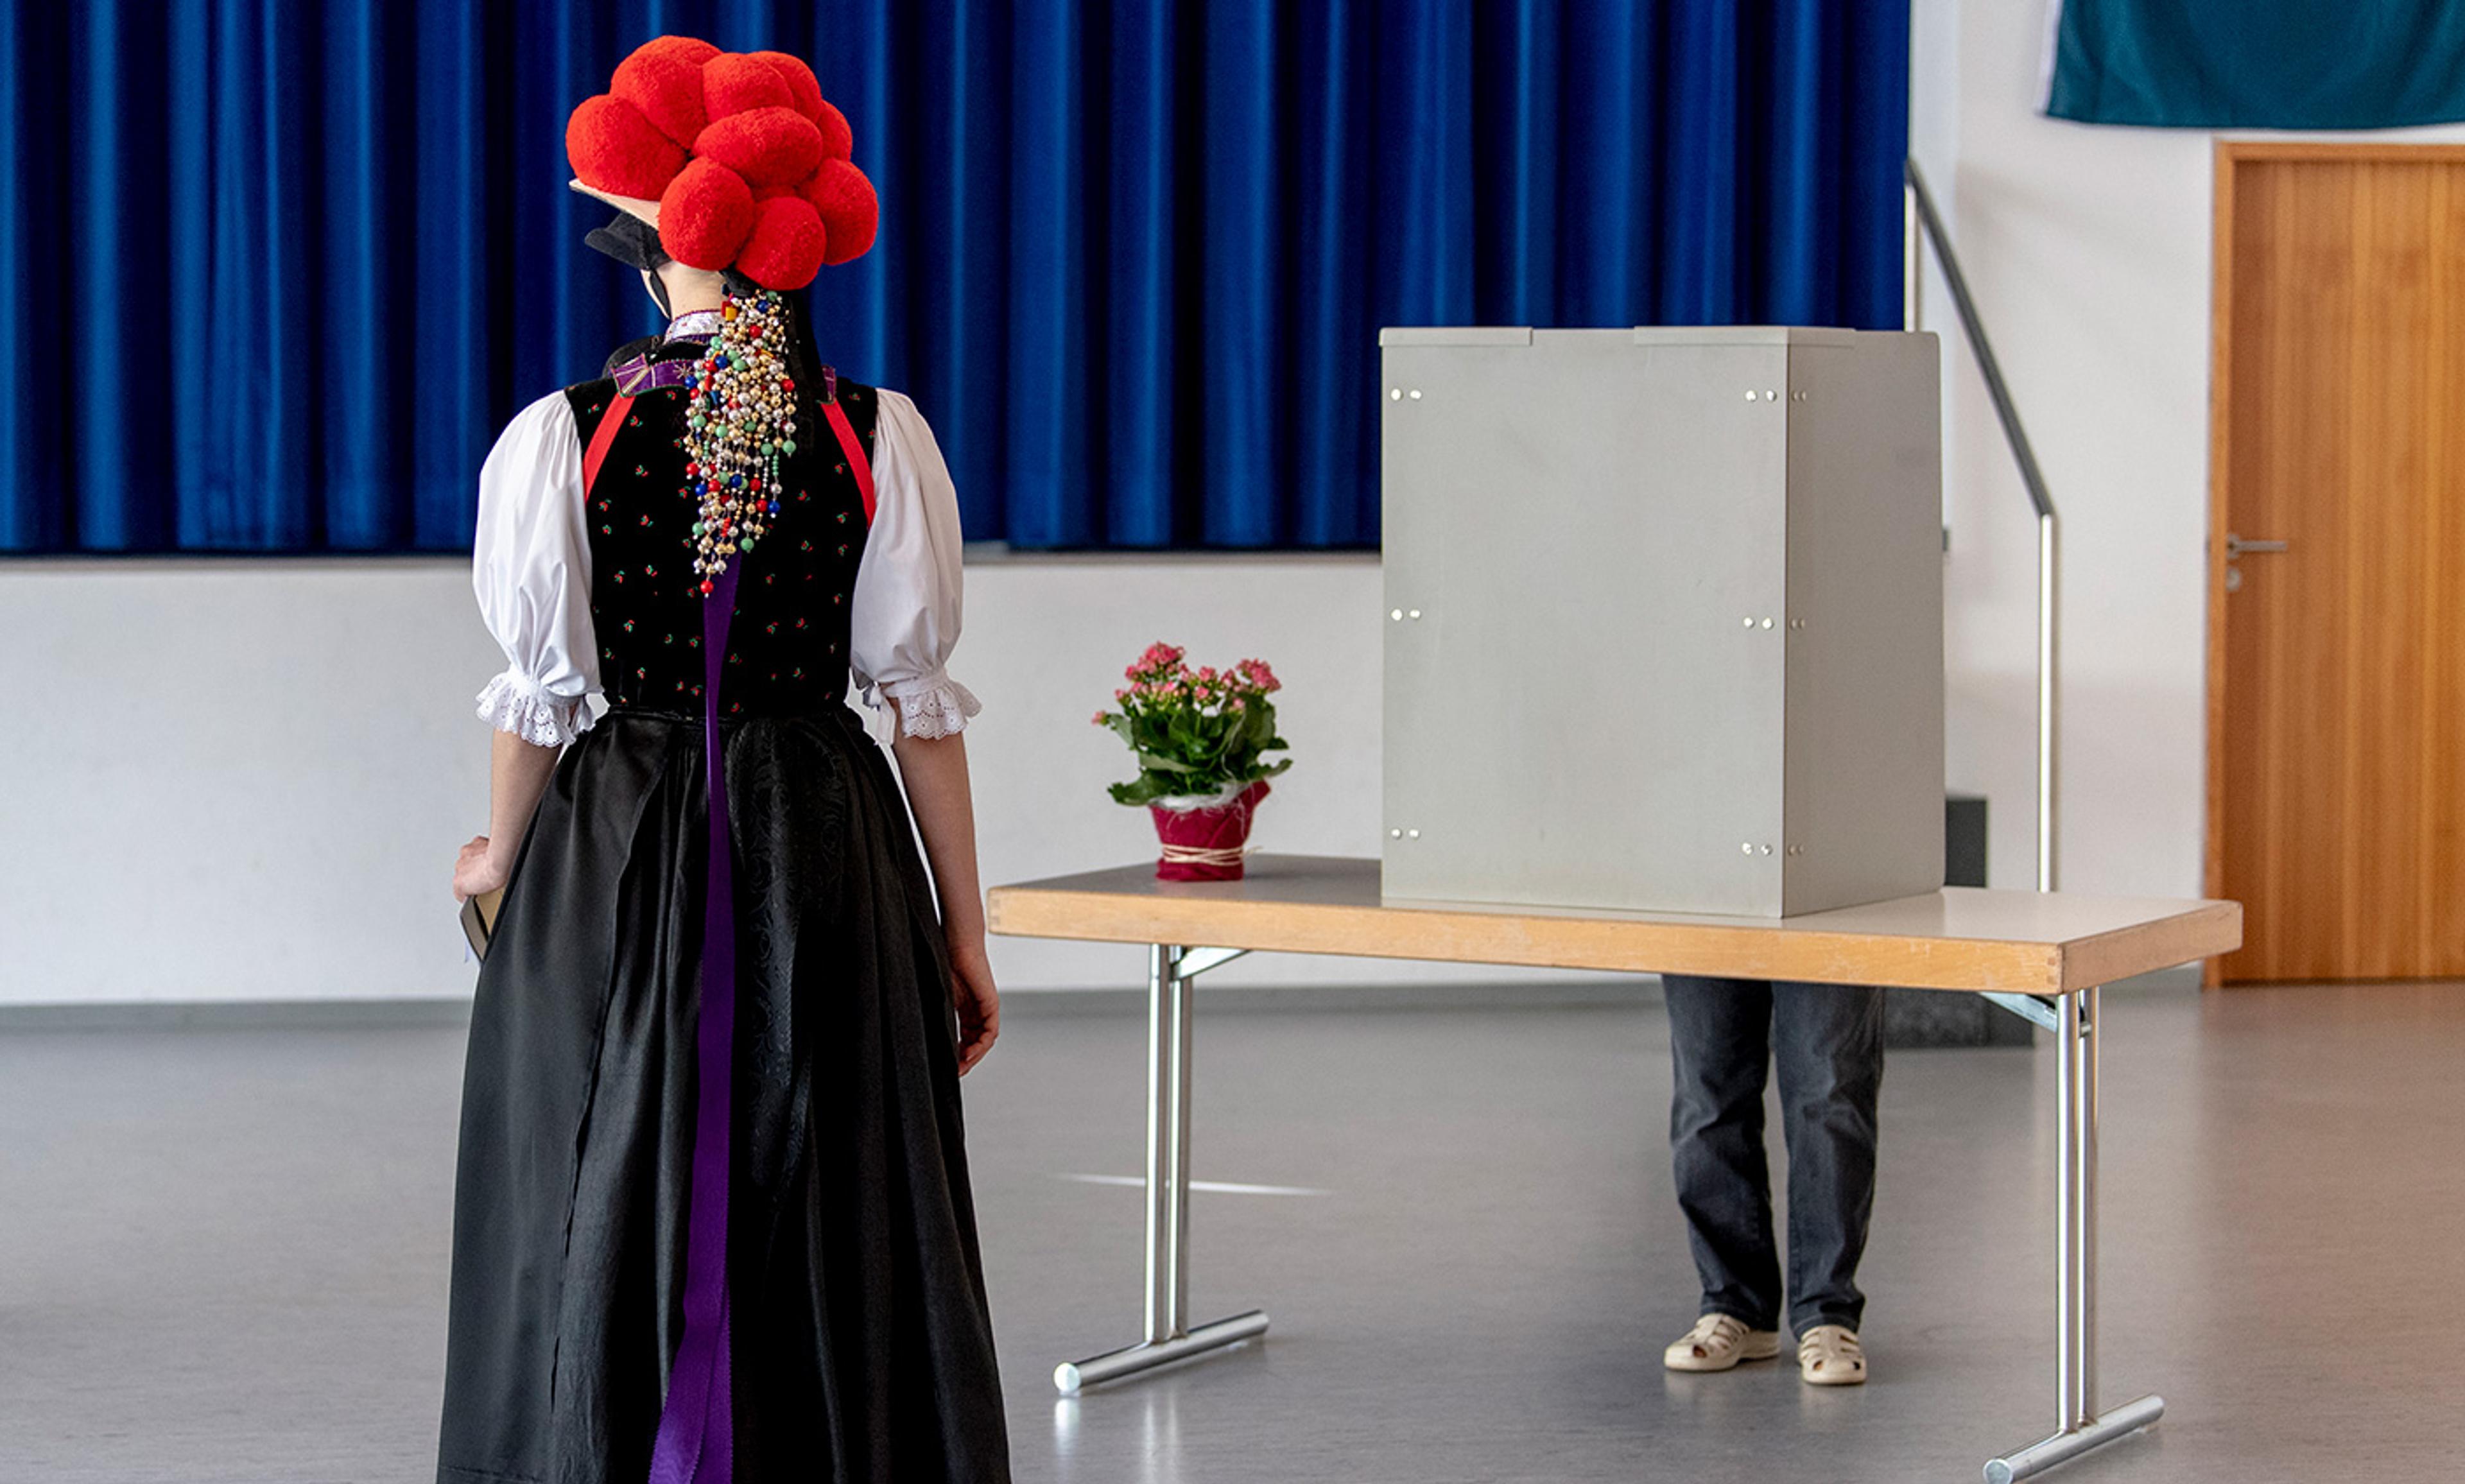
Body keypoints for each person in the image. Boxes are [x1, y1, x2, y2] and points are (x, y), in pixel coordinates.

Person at [437, 37, 1010, 1484]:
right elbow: (915, 705)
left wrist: (501, 860)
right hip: (820, 837)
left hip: (616, 840)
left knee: (601, 1163)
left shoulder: (562, 436)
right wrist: (964, 927)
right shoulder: (878, 432)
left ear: (651, 258)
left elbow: (543, 702)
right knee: (829, 1176)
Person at [1658, 976, 1882, 1387]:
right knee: (1706, 1093)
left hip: (1829, 917)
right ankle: (1735, 1305)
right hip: (1708, 915)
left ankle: (1827, 1311)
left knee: (1831, 1093)